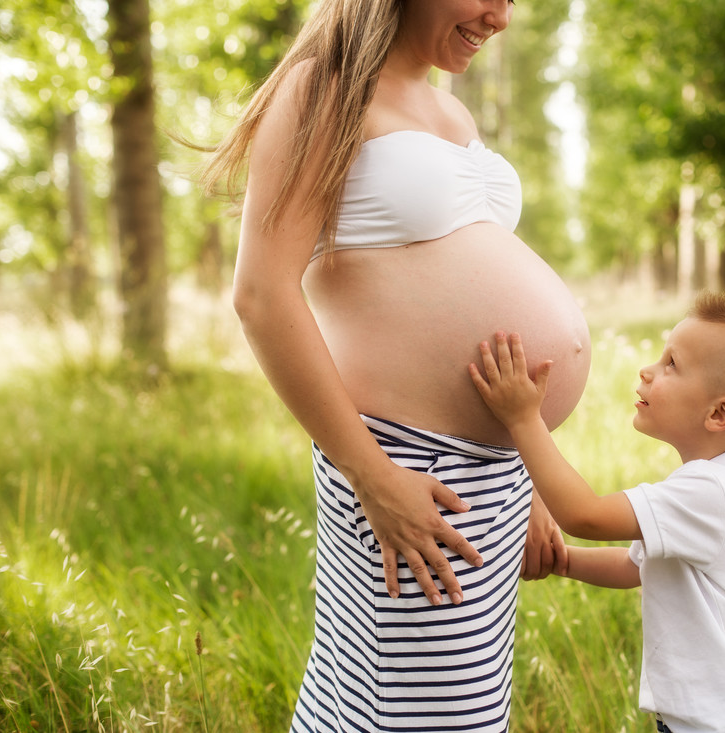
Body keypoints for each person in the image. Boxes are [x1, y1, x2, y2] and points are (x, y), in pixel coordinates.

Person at [201, 0, 591, 730]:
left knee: (464, 705)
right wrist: (373, 477)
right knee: (407, 705)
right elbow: (261, 295)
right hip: (402, 465)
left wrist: (532, 469)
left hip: (495, 469)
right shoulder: (326, 85)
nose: (502, 18)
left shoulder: (451, 114)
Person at [469, 290, 725, 733]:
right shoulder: (713, 487)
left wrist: (523, 420)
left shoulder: (712, 492)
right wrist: (562, 562)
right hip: (719, 720)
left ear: (719, 413)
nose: (647, 371)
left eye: (671, 364)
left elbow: (583, 515)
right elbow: (635, 568)